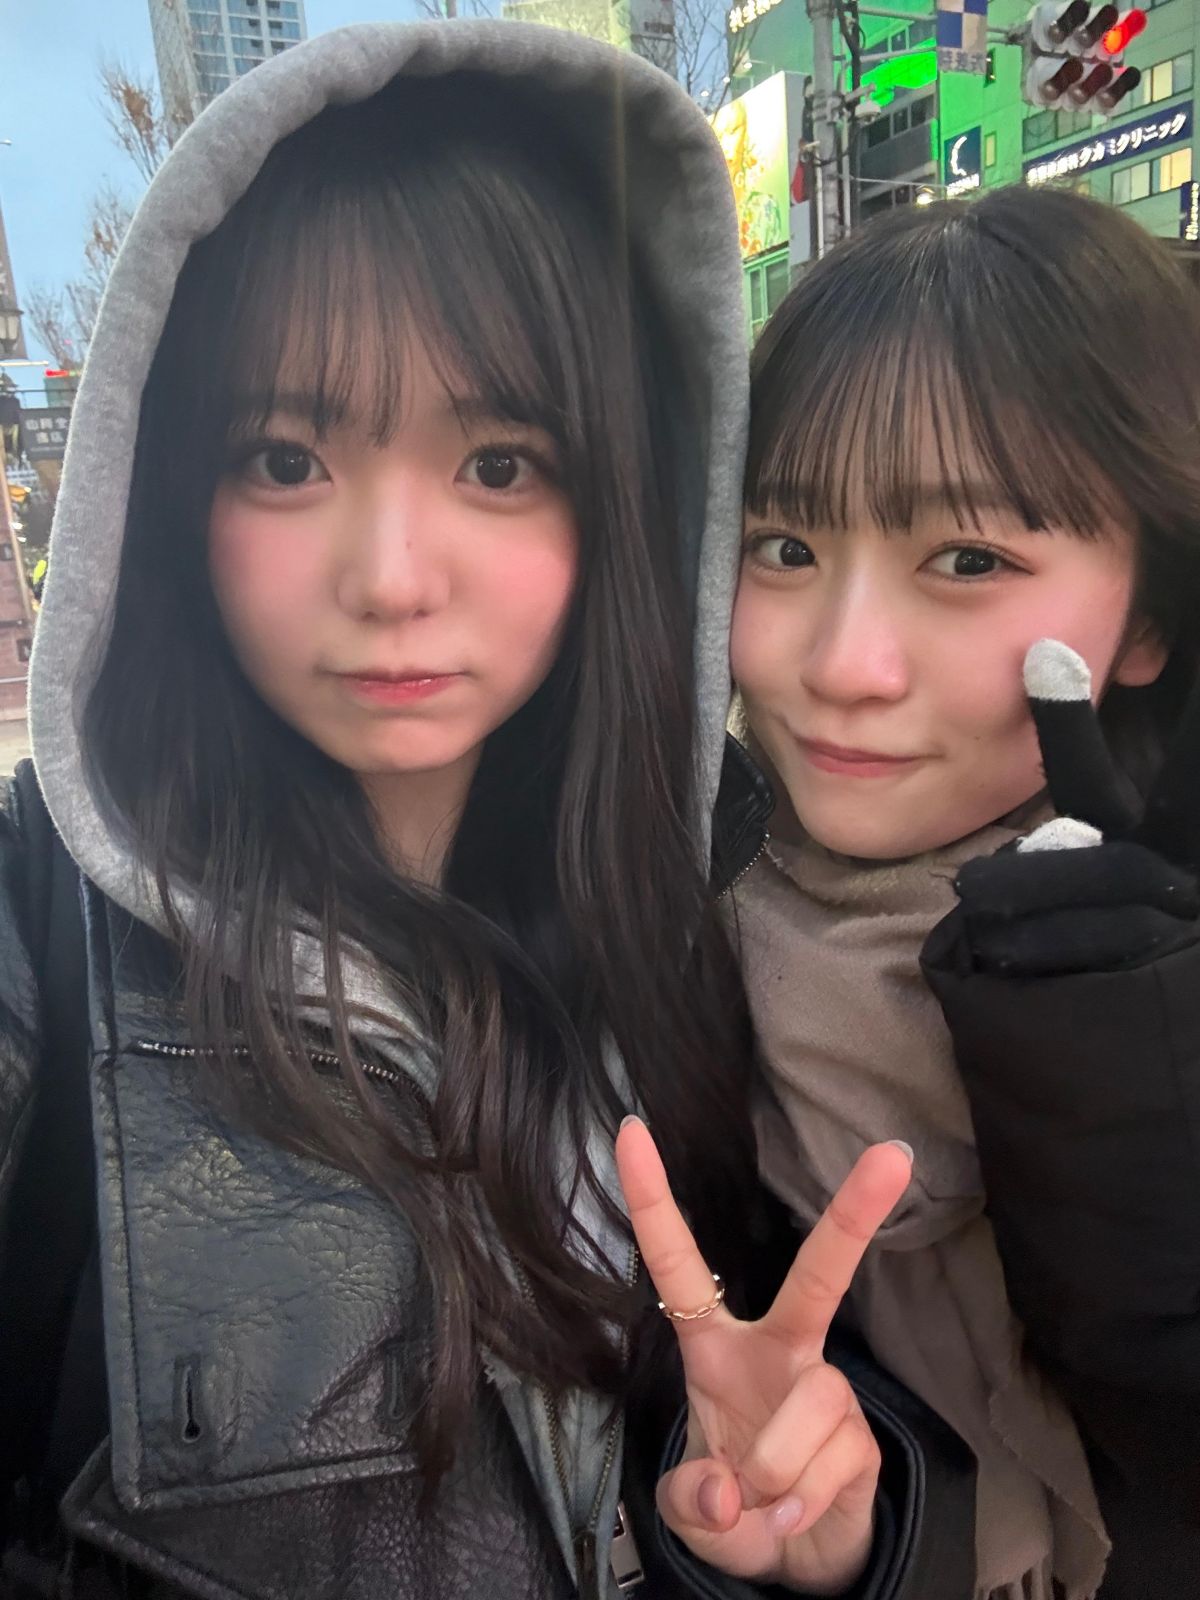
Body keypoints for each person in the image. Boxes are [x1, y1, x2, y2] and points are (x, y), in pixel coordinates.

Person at [0, 22, 973, 1600]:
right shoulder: (43, 943)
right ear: (170, 496)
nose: (393, 579)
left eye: (501, 464)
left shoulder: (719, 899)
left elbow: (809, 1400)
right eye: (287, 458)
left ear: (622, 497)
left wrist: (818, 1534)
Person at [728, 182, 1200, 1600]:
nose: (845, 665)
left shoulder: (1159, 954)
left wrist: (1122, 1061)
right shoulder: (657, 909)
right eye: (784, 547)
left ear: (1148, 616)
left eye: (969, 559)